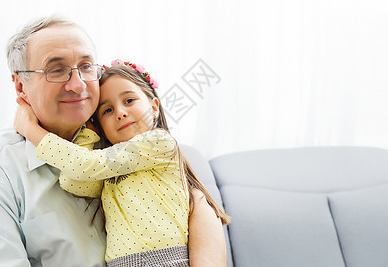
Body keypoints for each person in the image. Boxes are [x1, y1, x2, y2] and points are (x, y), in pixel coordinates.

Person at [0, 15, 228, 267]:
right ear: (21, 86)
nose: (78, 84)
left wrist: (200, 209)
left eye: (86, 66)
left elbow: (195, 210)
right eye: (56, 70)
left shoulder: (128, 152)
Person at [14, 60, 230, 266]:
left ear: (154, 107)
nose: (120, 113)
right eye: (107, 111)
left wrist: (31, 130)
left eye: (129, 101)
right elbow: (73, 181)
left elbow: (84, 166)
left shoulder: (159, 142)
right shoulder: (111, 167)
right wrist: (89, 133)